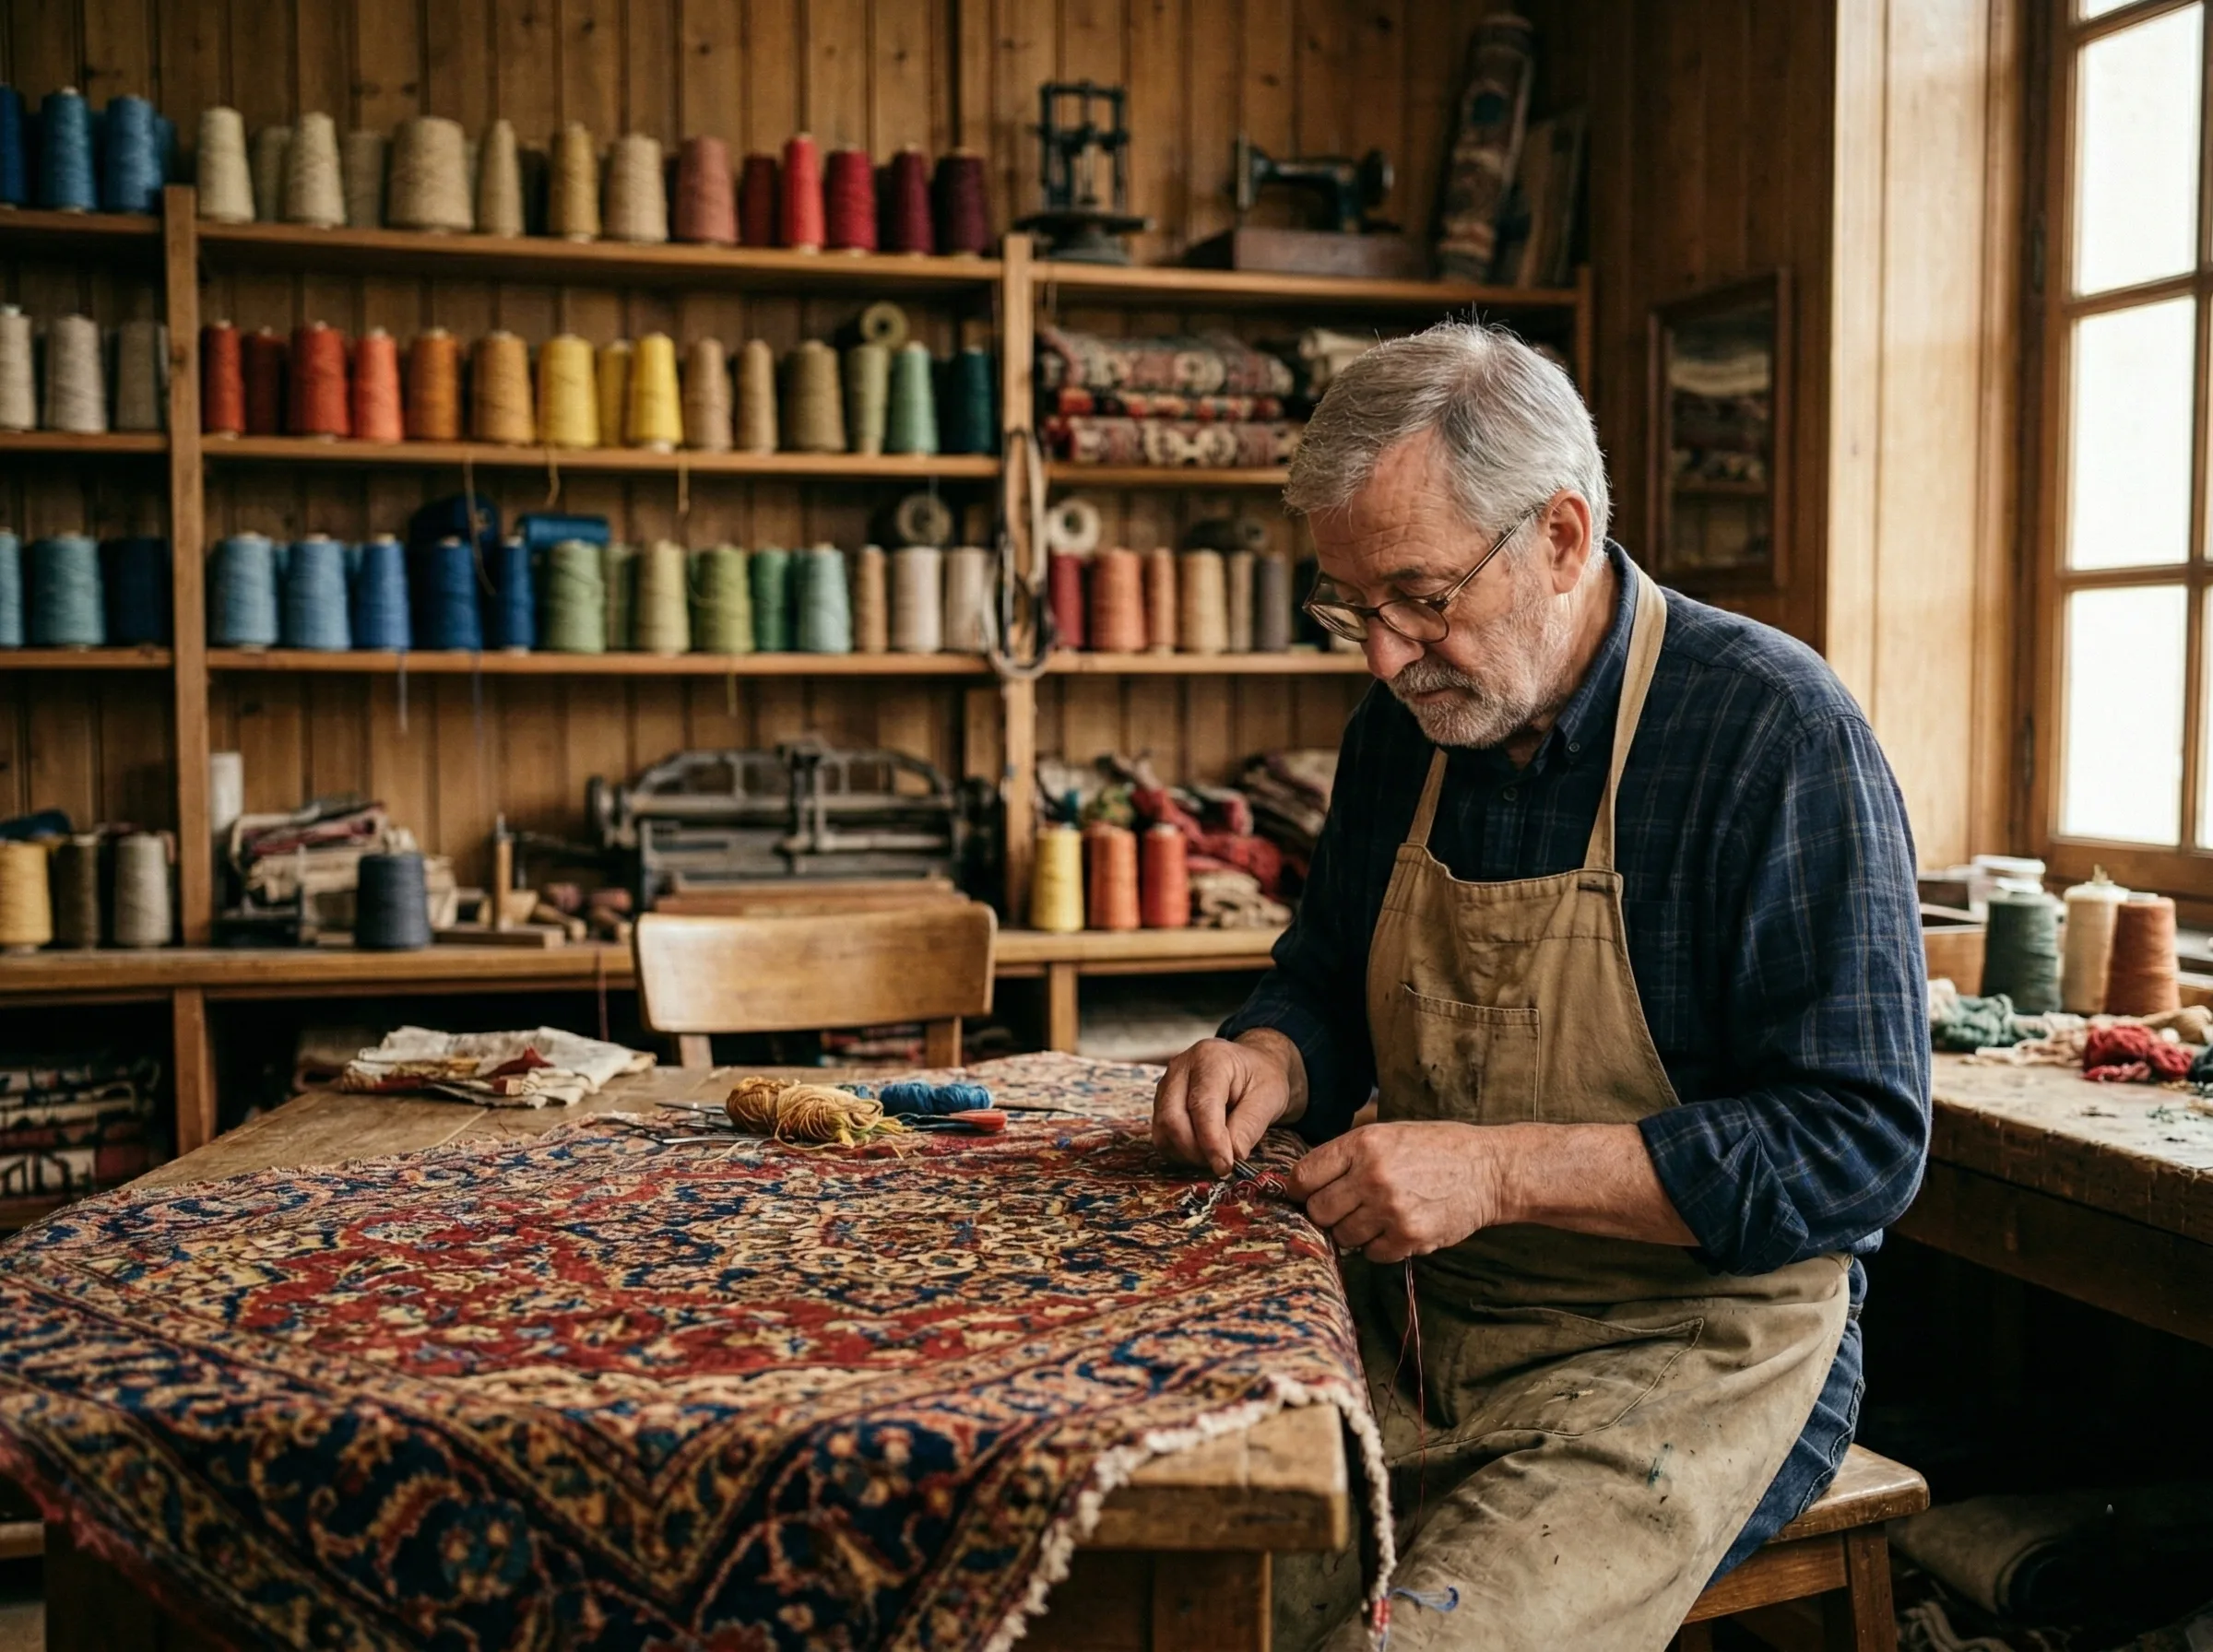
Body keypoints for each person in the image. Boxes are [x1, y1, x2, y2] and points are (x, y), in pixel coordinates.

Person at [1151, 323, 1931, 1651]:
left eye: (1421, 596)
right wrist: (1273, 1057)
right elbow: (1328, 983)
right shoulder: (1407, 731)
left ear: (1561, 536)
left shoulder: (1775, 734)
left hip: (1691, 1352)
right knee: (1169, 1581)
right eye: (1352, 608)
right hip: (1432, 1315)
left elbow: (1857, 1148)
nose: (1384, 657)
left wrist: (1497, 1174)